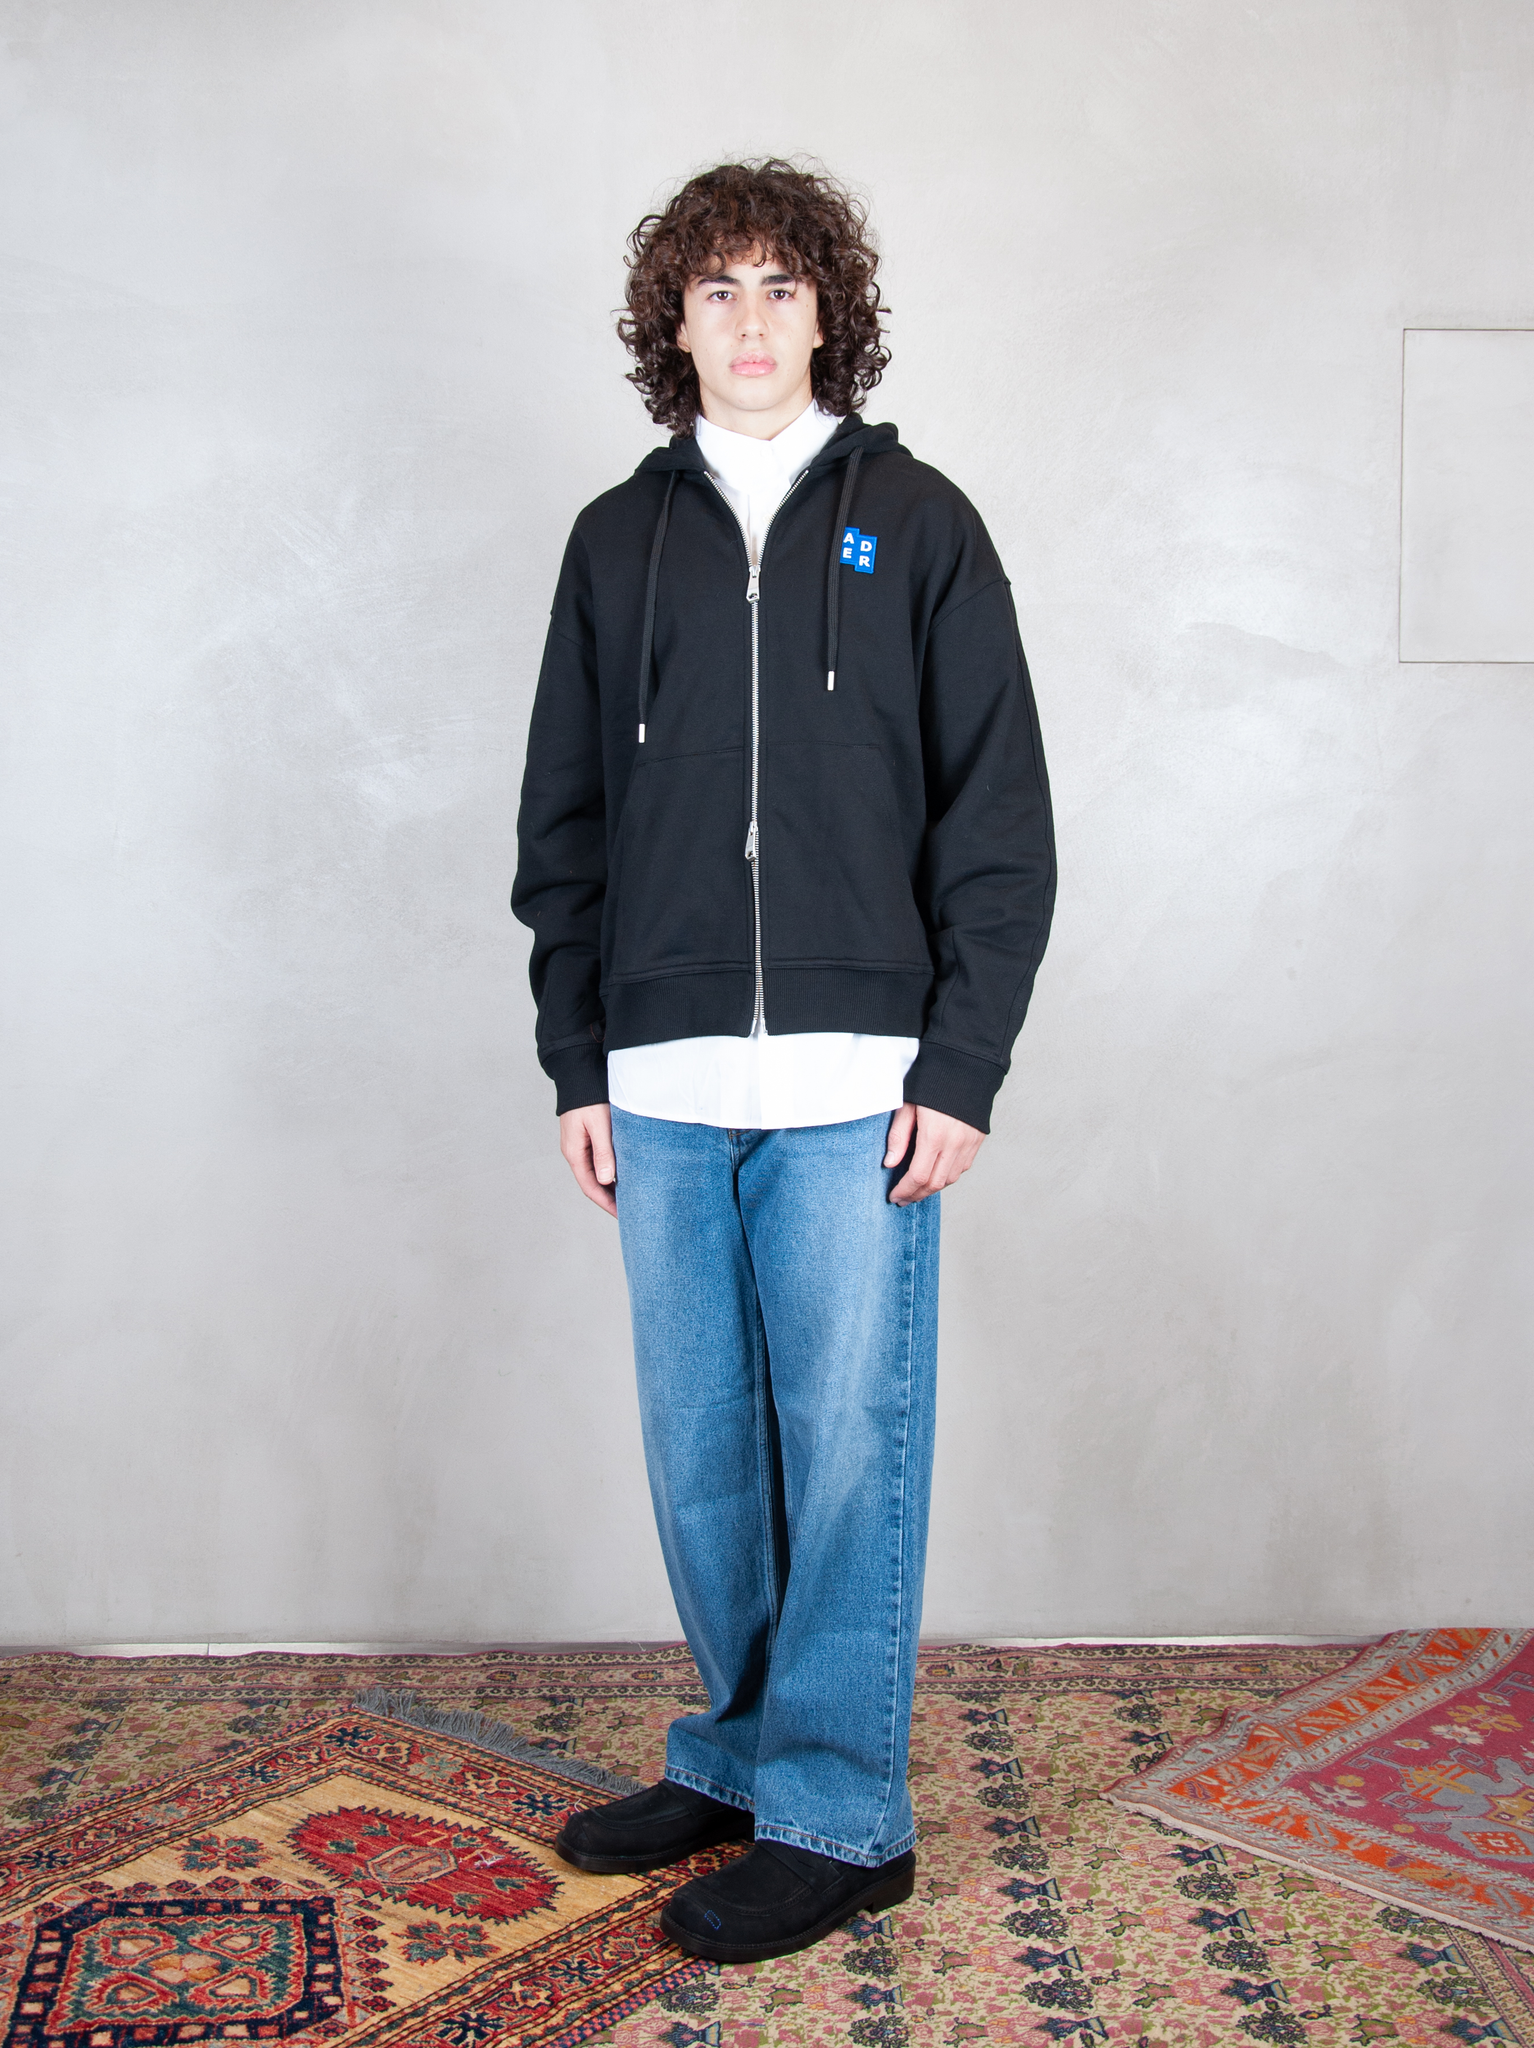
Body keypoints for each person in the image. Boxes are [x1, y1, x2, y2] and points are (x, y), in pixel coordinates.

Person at [512, 159, 1054, 1964]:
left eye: (779, 287)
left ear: (830, 314)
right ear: (670, 324)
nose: (749, 322)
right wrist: (577, 1060)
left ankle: (839, 1815)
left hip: (857, 1079)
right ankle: (743, 1758)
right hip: (661, 1078)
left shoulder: (921, 522)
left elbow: (999, 820)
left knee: (842, 1455)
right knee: (703, 1457)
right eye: (715, 290)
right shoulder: (616, 539)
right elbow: (564, 822)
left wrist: (959, 1065)